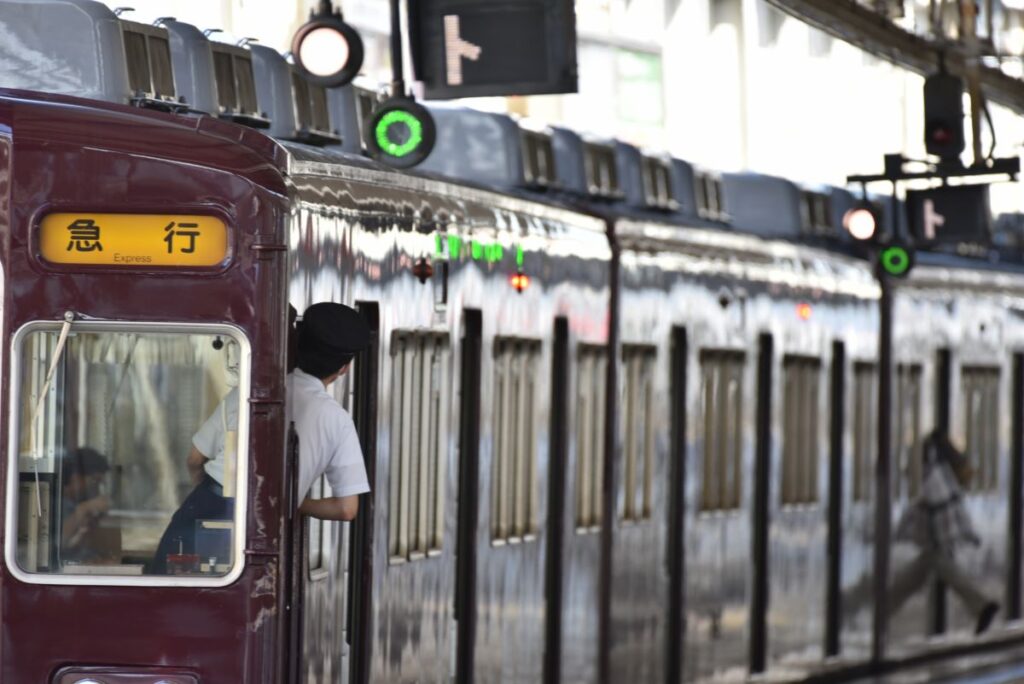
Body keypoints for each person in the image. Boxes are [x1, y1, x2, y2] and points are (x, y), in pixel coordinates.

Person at [888, 428, 999, 635]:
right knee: (911, 579)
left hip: (938, 544)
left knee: (933, 570)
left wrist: (895, 536)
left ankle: (982, 605)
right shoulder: (941, 474)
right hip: (937, 544)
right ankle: (880, 612)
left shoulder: (931, 480)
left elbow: (925, 514)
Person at [288, 302, 371, 520]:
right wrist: (295, 504)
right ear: (343, 369)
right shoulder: (337, 419)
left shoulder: (255, 387)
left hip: (202, 511)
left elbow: (195, 458)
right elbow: (346, 509)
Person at [59, 447, 114, 564]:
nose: (97, 488)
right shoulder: (55, 504)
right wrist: (84, 509)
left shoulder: (75, 505)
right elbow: (57, 543)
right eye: (94, 481)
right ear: (76, 477)